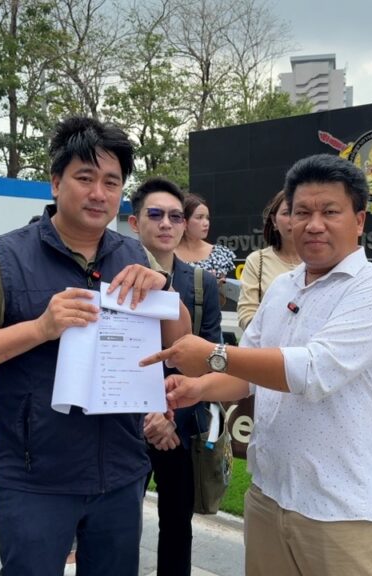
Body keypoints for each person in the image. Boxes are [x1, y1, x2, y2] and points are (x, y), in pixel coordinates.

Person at [0, 116, 192, 576]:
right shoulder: (4, 257)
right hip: (35, 479)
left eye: (111, 182)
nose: (99, 193)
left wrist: (165, 290)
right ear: (56, 183)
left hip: (120, 472)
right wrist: (40, 328)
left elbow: (180, 342)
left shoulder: (134, 255)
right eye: (85, 178)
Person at [142, 154, 372, 576]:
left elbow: (313, 370)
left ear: (359, 221)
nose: (314, 224)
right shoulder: (284, 286)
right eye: (302, 212)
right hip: (268, 496)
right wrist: (197, 388)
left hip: (342, 511)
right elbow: (246, 375)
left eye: (330, 212)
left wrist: (213, 354)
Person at [128, 176, 222, 576]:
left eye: (175, 216)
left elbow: (211, 359)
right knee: (117, 526)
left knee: (177, 526)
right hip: (126, 425)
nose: (166, 224)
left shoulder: (201, 283)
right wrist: (144, 415)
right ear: (135, 222)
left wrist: (169, 416)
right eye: (155, 215)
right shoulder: (114, 277)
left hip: (179, 425)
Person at [236, 190, 301, 330]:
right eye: (286, 213)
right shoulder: (257, 261)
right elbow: (246, 314)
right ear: (274, 220)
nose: (292, 219)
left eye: (300, 213)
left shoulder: (324, 262)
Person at [175, 192, 237, 279]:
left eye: (207, 218)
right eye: (199, 217)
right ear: (184, 221)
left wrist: (217, 284)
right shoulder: (168, 254)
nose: (206, 223)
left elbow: (229, 285)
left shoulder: (219, 254)